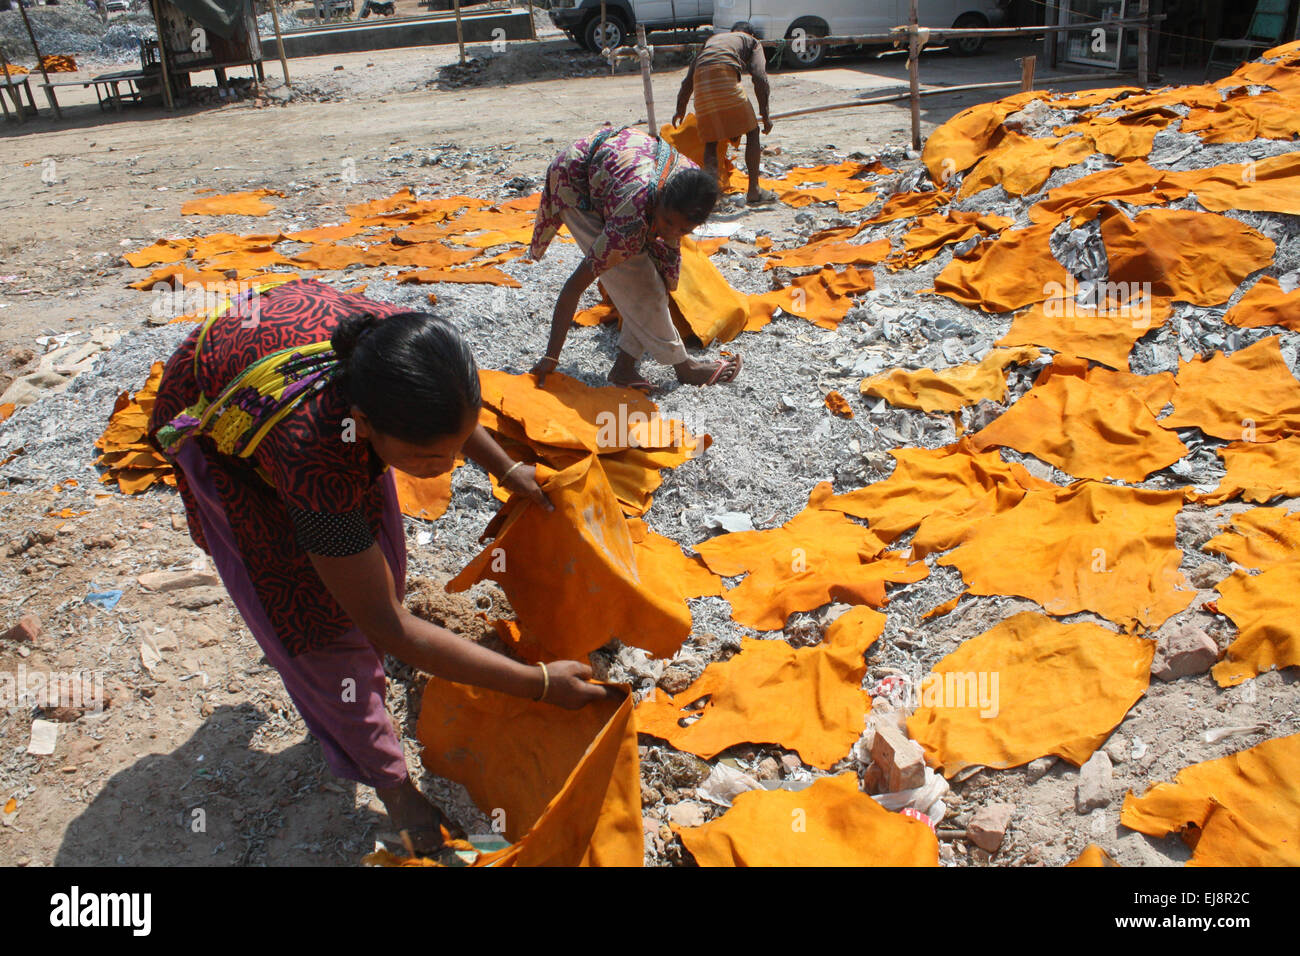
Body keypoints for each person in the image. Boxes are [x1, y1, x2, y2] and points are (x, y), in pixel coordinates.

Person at [147, 278, 610, 854]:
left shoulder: (406, 347)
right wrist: (537, 684)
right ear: (363, 423)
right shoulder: (312, 456)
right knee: (320, 627)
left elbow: (452, 421)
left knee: (373, 561)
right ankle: (392, 786)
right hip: (230, 411)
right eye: (424, 458)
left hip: (289, 336)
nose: (442, 469)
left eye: (453, 447)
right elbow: (387, 627)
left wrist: (506, 467)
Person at [528, 125, 741, 393]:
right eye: (667, 222)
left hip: (612, 167)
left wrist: (665, 240)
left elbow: (662, 269)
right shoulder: (631, 214)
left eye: (683, 230)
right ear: (659, 199)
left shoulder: (690, 185)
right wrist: (551, 358)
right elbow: (575, 285)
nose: (670, 233)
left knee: (655, 281)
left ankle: (624, 367)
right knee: (643, 282)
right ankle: (684, 367)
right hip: (574, 179)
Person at [672, 27, 777, 206]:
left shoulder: (713, 40)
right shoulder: (752, 42)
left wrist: (680, 108)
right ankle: (754, 190)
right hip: (724, 73)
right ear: (749, 33)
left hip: (701, 80)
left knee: (711, 142)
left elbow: (689, 77)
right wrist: (765, 115)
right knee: (752, 131)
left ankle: (711, 197)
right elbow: (760, 77)